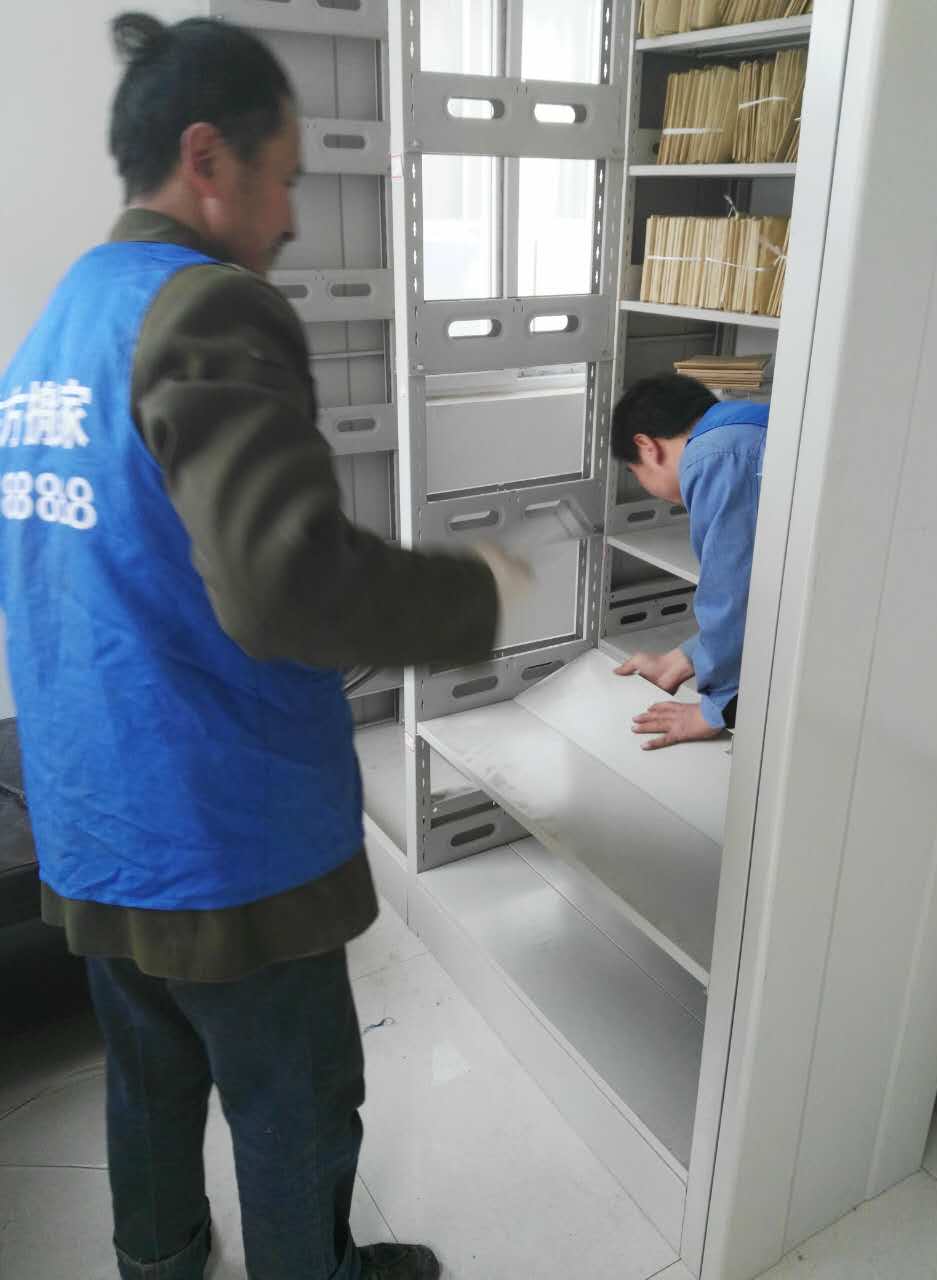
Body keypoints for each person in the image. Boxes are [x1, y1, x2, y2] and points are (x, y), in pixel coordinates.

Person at [0, 14, 527, 1280]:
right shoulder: (207, 311)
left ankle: (162, 1264)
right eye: (282, 177)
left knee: (149, 1081)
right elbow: (287, 583)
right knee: (294, 1098)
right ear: (206, 157)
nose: (290, 216)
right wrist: (472, 594)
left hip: (93, 817)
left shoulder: (57, 327)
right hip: (220, 837)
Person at [610, 373, 768, 751]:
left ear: (647, 447)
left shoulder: (712, 457)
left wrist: (714, 710)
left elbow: (734, 591)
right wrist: (681, 659)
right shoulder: (743, 426)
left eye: (635, 473)